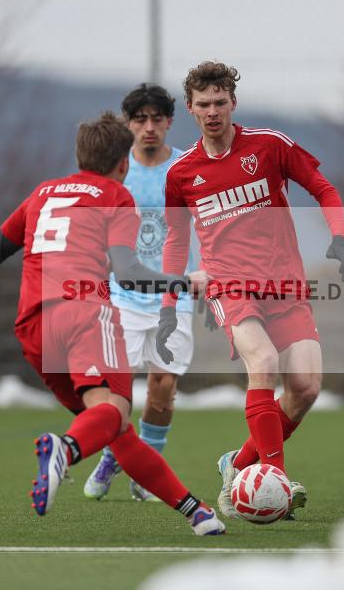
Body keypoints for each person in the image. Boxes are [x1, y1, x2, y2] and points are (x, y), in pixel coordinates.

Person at [0, 112, 225, 536]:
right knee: (114, 413)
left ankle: (195, 512)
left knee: (112, 426)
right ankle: (65, 449)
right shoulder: (116, 196)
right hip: (84, 315)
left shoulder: (43, 193)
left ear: (79, 157)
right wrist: (185, 283)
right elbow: (128, 273)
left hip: (34, 327)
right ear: (124, 163)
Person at [157, 62, 344, 520]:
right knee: (263, 362)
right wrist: (169, 303)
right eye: (203, 104)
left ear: (233, 103)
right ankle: (275, 480)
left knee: (305, 388)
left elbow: (323, 189)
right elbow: (176, 241)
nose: (212, 112)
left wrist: (340, 237)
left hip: (285, 284)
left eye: (219, 102)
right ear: (190, 108)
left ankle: (239, 464)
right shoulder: (182, 173)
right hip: (227, 285)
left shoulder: (269, 146)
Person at [83, 84, 204, 503]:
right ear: (128, 124)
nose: (149, 127)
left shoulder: (187, 167)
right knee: (117, 390)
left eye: (157, 119)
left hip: (174, 294)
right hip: (124, 295)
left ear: (169, 121)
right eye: (140, 119)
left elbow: (210, 221)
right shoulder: (117, 170)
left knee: (163, 387)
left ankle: (146, 470)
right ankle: (111, 458)